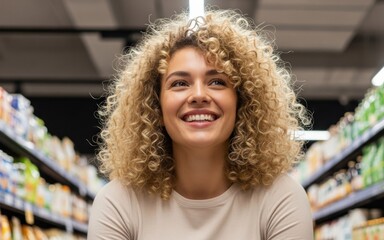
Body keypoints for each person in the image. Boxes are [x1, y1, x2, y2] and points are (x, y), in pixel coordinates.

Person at [87, 8, 313, 240]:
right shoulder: (120, 201)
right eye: (179, 83)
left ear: (242, 100)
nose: (198, 95)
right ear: (155, 103)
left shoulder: (280, 197)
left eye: (216, 81)